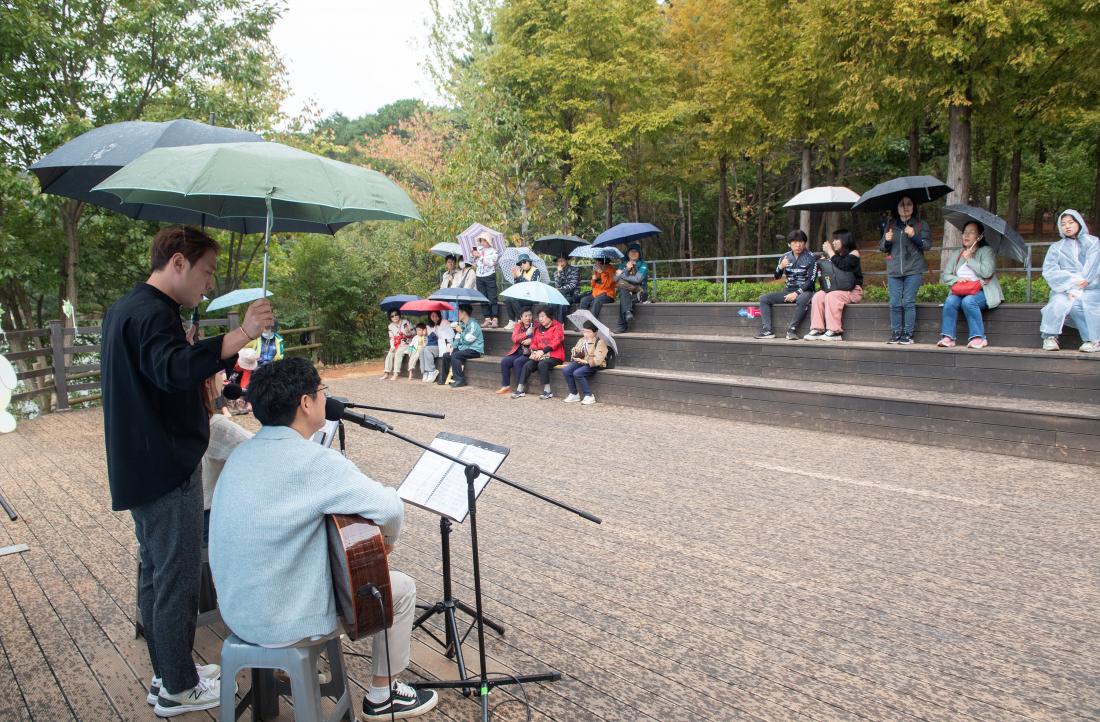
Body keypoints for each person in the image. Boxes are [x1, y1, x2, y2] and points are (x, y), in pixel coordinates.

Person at [101, 225, 273, 716]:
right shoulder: (154, 314)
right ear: (177, 262)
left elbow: (161, 372)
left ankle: (167, 671)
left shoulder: (129, 309)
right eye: (206, 271)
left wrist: (188, 344)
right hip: (164, 464)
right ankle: (178, 683)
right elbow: (173, 371)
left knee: (157, 572)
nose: (208, 283)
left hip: (139, 464)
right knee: (174, 575)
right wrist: (241, 334)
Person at [209, 358, 438, 721]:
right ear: (305, 403)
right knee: (401, 587)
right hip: (285, 621)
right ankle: (383, 693)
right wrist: (385, 545)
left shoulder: (243, 452)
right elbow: (390, 508)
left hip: (237, 612)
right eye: (320, 392)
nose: (323, 399)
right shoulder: (313, 462)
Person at [199, 376, 252, 543]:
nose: (224, 379)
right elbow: (258, 450)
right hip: (209, 517)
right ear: (207, 382)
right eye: (220, 373)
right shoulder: (213, 426)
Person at [1040, 209, 1100, 352]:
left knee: (1079, 304)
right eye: (1063, 224)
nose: (1067, 226)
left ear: (1079, 223)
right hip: (1064, 289)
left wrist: (1078, 288)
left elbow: (1093, 268)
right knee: (1058, 302)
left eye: (1070, 222)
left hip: (1091, 288)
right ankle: (1050, 337)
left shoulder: (1093, 242)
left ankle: (1093, 340)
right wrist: (1070, 286)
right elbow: (1050, 271)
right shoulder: (1056, 248)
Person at [937, 221, 1004, 349]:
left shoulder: (986, 251)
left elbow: (987, 272)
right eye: (965, 232)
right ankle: (948, 337)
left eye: (972, 232)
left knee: (968, 301)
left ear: (979, 237)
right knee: (950, 301)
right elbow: (946, 275)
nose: (966, 235)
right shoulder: (957, 253)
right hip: (961, 290)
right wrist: (957, 279)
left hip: (982, 291)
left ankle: (979, 338)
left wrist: (970, 259)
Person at [880, 195, 932, 344]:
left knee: (908, 301)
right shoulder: (890, 225)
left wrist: (914, 235)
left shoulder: (921, 224)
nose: (905, 207)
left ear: (913, 206)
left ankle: (907, 334)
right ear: (896, 208)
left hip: (914, 269)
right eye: (902, 204)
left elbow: (927, 245)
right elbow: (882, 247)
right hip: (894, 269)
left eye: (909, 204)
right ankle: (895, 333)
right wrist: (887, 241)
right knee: (895, 302)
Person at [755, 230, 817, 340]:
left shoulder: (811, 257)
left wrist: (797, 293)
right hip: (788, 290)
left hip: (806, 291)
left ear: (805, 243)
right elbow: (777, 277)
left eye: (801, 242)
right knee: (764, 298)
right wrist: (780, 267)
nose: (798, 245)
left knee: (802, 299)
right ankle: (767, 330)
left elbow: (811, 280)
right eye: (794, 242)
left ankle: (792, 330)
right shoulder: (785, 257)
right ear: (789, 244)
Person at [804, 229, 863, 341]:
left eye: (837, 239)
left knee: (832, 296)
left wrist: (830, 252)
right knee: (819, 295)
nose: (834, 242)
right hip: (836, 289)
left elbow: (844, 265)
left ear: (845, 240)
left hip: (853, 291)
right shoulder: (837, 255)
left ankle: (834, 331)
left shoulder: (854, 253)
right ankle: (817, 329)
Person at [513, 307, 565, 400]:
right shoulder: (538, 328)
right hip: (540, 355)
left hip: (554, 355)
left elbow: (556, 342)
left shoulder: (557, 326)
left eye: (542, 316)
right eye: (539, 317)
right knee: (527, 365)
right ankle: (520, 390)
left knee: (542, 364)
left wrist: (543, 351)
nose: (540, 319)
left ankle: (547, 391)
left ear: (549, 316)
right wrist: (534, 351)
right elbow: (534, 342)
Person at [561, 321, 608, 405]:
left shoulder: (600, 342)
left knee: (577, 373)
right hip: (582, 361)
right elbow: (577, 354)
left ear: (595, 332)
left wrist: (585, 361)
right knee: (566, 370)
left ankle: (589, 395)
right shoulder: (582, 340)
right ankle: (574, 394)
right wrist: (575, 352)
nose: (585, 334)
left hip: (594, 364)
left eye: (588, 332)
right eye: (584, 331)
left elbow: (597, 360)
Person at [497, 308, 535, 395]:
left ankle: (520, 388)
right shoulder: (518, 326)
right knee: (505, 361)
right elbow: (514, 339)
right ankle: (506, 386)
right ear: (521, 318)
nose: (528, 318)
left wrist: (531, 340)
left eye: (530, 315)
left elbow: (539, 338)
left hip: (529, 353)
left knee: (518, 362)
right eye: (525, 316)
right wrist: (526, 334)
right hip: (518, 351)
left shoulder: (535, 326)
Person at [615, 242, 649, 333]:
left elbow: (638, 279)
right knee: (623, 291)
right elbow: (615, 279)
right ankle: (627, 313)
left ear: (639, 253)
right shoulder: (623, 265)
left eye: (636, 252)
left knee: (622, 286)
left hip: (640, 293)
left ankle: (621, 325)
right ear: (628, 253)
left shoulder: (643, 265)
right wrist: (626, 269)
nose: (633, 253)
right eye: (631, 251)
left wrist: (622, 274)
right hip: (626, 293)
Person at [449, 303, 484, 388]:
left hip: (475, 350)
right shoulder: (462, 324)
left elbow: (468, 340)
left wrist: (461, 331)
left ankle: (460, 380)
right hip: (464, 348)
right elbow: (457, 339)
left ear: (464, 312)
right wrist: (453, 347)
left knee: (456, 356)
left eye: (459, 312)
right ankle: (445, 379)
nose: (457, 314)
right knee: (447, 355)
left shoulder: (473, 324)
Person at [504, 253, 542, 330]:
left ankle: (520, 320)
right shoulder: (521, 271)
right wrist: (515, 277)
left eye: (524, 262)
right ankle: (512, 321)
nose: (522, 265)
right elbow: (517, 286)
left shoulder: (536, 271)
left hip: (532, 297)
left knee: (514, 298)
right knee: (507, 297)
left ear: (529, 262)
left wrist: (520, 277)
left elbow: (532, 286)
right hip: (522, 295)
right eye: (520, 263)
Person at [471, 234, 500, 328]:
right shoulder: (479, 249)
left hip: (489, 275)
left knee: (492, 297)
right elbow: (473, 263)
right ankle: (487, 318)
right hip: (479, 275)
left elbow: (491, 263)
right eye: (481, 240)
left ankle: (495, 319)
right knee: (482, 297)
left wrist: (480, 256)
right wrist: (473, 255)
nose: (482, 242)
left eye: (484, 240)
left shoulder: (494, 251)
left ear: (488, 241)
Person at [439, 255, 475, 321]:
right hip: (449, 295)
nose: (450, 263)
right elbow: (451, 286)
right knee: (443, 304)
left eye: (452, 262)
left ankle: (454, 321)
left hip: (462, 295)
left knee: (452, 303)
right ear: (446, 264)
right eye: (448, 262)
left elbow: (467, 286)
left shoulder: (467, 272)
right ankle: (445, 321)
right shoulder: (445, 274)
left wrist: (452, 280)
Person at [381, 310, 414, 381]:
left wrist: (409, 332)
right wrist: (392, 346)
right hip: (396, 344)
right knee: (390, 353)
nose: (394, 317)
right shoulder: (390, 326)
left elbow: (414, 333)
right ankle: (386, 373)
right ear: (390, 318)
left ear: (399, 315)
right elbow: (391, 338)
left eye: (396, 315)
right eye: (392, 316)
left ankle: (396, 373)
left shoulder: (406, 322)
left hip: (407, 343)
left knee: (398, 353)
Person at [420, 311, 450, 382]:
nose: (435, 318)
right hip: (432, 346)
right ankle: (425, 372)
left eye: (436, 316)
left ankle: (432, 370)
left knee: (427, 349)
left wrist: (438, 334)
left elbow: (448, 336)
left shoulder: (445, 322)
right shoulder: (429, 326)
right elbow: (428, 339)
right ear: (429, 317)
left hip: (442, 346)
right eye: (432, 316)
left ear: (439, 315)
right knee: (422, 350)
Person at [552, 255, 580, 322]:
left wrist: (560, 289)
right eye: (559, 261)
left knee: (562, 303)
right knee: (552, 303)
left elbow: (572, 285)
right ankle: (554, 323)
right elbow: (557, 286)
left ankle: (561, 324)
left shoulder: (575, 270)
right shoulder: (556, 273)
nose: (561, 263)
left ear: (566, 261)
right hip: (561, 295)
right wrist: (559, 273)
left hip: (573, 294)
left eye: (562, 260)